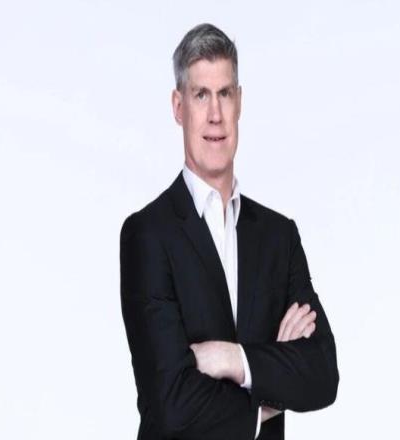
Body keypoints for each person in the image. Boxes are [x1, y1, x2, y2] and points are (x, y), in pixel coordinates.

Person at [120, 23, 339, 440]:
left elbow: (322, 374)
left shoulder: (278, 238)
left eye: (224, 94)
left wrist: (232, 359)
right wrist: (271, 391)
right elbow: (170, 403)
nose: (215, 114)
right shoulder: (147, 235)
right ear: (178, 107)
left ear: (239, 103)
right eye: (201, 95)